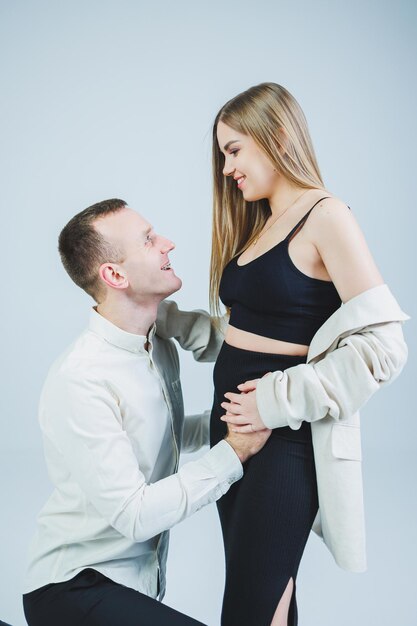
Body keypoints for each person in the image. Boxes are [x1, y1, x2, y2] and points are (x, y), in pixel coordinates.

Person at [206, 83, 409, 626]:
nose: (227, 169)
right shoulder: (262, 222)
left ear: (274, 137)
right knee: (271, 601)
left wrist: (276, 402)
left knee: (252, 606)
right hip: (232, 437)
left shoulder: (327, 216)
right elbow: (248, 327)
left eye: (233, 150)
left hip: (283, 439)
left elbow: (386, 348)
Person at [22, 199, 272, 626]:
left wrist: (236, 418)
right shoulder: (81, 379)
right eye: (149, 240)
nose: (168, 244)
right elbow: (134, 515)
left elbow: (170, 431)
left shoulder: (155, 341)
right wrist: (234, 452)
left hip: (136, 591)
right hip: (72, 589)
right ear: (114, 275)